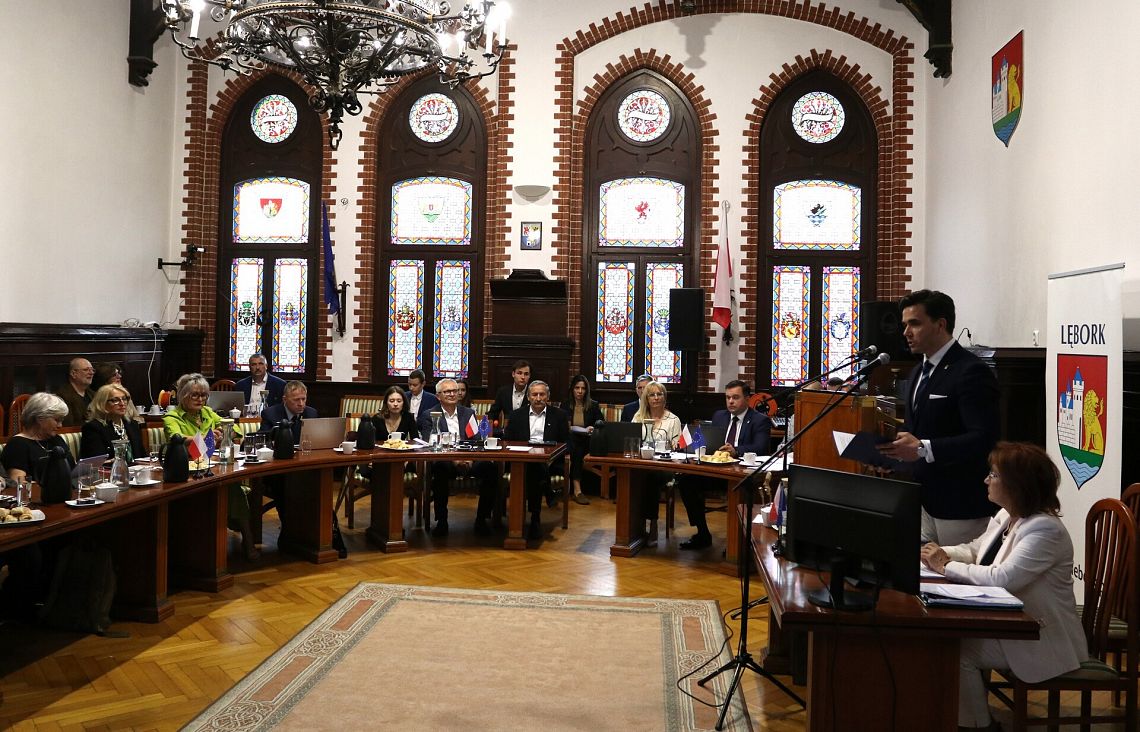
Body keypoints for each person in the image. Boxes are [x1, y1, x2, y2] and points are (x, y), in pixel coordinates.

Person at [920, 443, 1087, 731]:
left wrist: (945, 567)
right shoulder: (1007, 516)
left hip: (1042, 637)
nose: (986, 479)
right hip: (1012, 626)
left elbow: (1002, 578)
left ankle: (979, 727)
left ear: (1016, 485)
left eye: (994, 475)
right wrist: (939, 553)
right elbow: (976, 550)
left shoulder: (1045, 530)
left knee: (958, 652)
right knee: (949, 643)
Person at [879, 289, 1000, 545]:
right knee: (922, 567)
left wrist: (923, 448)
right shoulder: (917, 372)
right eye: (904, 325)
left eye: (915, 323)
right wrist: (891, 455)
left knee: (956, 568)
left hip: (959, 502)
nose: (906, 332)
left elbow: (984, 438)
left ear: (940, 324)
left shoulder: (970, 371)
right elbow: (914, 432)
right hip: (922, 499)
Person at [164, 374, 257, 560]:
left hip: (212, 467)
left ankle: (248, 539)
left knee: (233, 486)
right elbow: (177, 439)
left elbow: (237, 432)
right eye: (195, 395)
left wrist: (224, 431)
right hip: (186, 472)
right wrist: (207, 438)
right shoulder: (172, 416)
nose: (200, 399)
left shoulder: (207, 412)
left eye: (204, 395)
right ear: (183, 395)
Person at [0, 393, 73, 619]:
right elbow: (18, 484)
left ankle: (59, 597)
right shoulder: (18, 445)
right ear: (40, 418)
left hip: (61, 503)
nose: (60, 425)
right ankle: (28, 605)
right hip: (35, 509)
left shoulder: (56, 441)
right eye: (56, 419)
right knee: (36, 551)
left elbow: (73, 472)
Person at [678, 380, 772, 550]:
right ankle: (702, 533)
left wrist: (736, 450)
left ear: (747, 399)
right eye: (728, 397)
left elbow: (761, 447)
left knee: (740, 491)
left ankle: (737, 544)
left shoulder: (760, 420)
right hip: (717, 470)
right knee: (686, 481)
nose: (730, 402)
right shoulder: (719, 416)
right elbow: (711, 441)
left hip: (742, 475)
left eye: (735, 397)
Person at [504, 381, 570, 539]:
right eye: (534, 394)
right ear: (528, 397)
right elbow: (507, 441)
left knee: (537, 469)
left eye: (542, 394)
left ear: (548, 396)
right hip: (521, 462)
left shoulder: (559, 415)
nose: (538, 398)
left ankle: (533, 518)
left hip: (552, 462)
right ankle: (537, 514)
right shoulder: (516, 415)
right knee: (535, 468)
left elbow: (567, 443)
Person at [417, 378, 476, 537]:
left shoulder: (468, 413)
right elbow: (429, 442)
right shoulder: (429, 415)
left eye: (454, 391)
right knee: (440, 468)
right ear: (438, 396)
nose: (452, 394)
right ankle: (442, 521)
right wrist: (454, 459)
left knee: (489, 468)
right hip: (445, 460)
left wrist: (470, 459)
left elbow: (476, 441)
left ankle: (482, 519)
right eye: (447, 391)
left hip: (468, 459)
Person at [632, 380, 682, 536]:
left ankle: (652, 523)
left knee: (651, 477)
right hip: (641, 463)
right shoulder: (638, 417)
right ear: (646, 398)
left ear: (664, 397)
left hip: (664, 466)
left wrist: (668, 447)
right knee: (630, 476)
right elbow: (632, 440)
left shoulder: (673, 420)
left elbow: (678, 448)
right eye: (652, 395)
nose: (656, 398)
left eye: (659, 394)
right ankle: (633, 525)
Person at [80, 384, 145, 461]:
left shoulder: (132, 425)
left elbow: (142, 456)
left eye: (124, 399)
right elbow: (96, 461)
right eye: (115, 400)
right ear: (103, 403)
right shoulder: (93, 428)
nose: (122, 403)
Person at [565, 375, 603, 505]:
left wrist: (594, 427)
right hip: (571, 440)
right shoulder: (566, 405)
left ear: (587, 390)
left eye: (583, 388)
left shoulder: (593, 405)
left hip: (589, 441)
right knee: (575, 446)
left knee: (578, 447)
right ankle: (577, 490)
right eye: (577, 388)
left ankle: (577, 490)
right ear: (572, 389)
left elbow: (601, 423)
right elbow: (563, 426)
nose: (580, 391)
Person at [55, 357, 96, 427]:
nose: (91, 373)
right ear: (73, 373)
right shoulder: (62, 396)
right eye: (86, 370)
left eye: (92, 370)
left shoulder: (93, 394)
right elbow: (68, 424)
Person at [490, 360, 531, 428]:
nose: (523, 377)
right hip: (507, 429)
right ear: (513, 374)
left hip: (528, 429)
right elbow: (493, 413)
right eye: (519, 373)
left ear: (529, 376)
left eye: (526, 374)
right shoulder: (503, 392)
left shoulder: (533, 393)